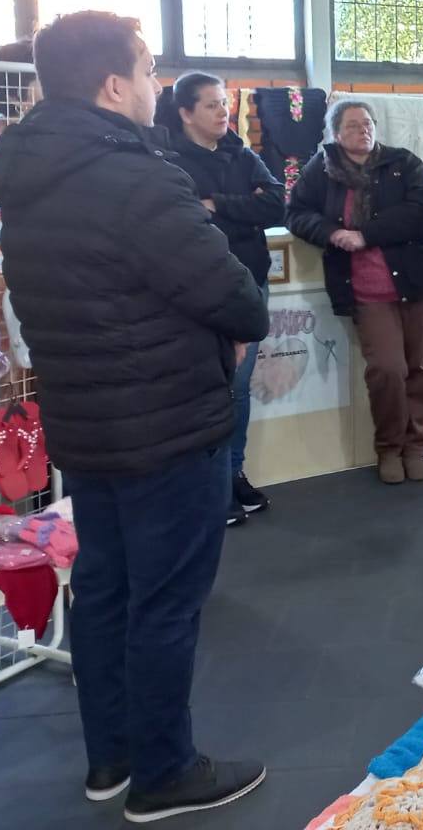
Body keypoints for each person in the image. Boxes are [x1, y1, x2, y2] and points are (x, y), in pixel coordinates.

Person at [0, 12, 268, 821]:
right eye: (147, 71)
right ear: (115, 85)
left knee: (104, 590)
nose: (154, 86)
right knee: (166, 601)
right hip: (167, 421)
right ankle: (164, 772)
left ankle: (110, 758)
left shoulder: (25, 178)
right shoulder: (138, 178)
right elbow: (236, 299)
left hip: (84, 422)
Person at [288, 98, 423, 484]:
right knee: (388, 370)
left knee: (420, 368)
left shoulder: (403, 163)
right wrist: (331, 233)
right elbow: (296, 213)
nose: (364, 130)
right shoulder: (321, 170)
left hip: (418, 283)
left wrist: (365, 235)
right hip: (366, 290)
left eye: (368, 123)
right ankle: (389, 447)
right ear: (335, 133)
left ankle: (416, 447)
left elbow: (422, 213)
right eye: (353, 125)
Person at [162, 72, 284, 525]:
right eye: (211, 105)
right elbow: (184, 219)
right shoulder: (170, 161)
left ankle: (232, 474)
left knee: (239, 387)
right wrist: (239, 206)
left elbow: (276, 204)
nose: (223, 112)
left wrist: (218, 205)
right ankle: (205, 485)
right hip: (197, 290)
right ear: (185, 112)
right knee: (206, 388)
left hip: (248, 285)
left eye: (224, 103)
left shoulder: (242, 153)